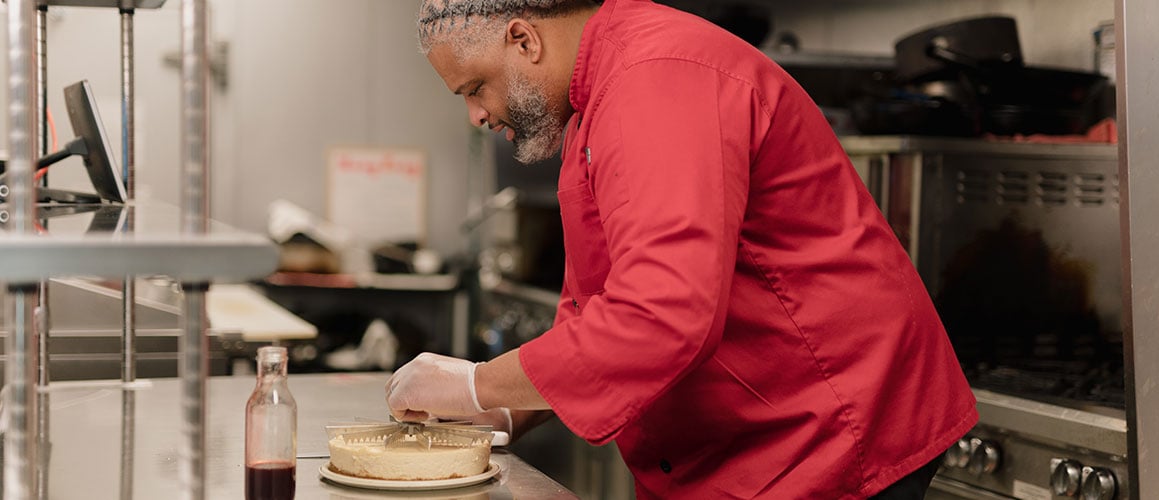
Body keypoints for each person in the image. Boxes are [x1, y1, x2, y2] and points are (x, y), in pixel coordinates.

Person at [386, 0, 979, 498]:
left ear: (523, 39)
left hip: (832, 427)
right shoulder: (593, 107)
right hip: (753, 438)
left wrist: (478, 385)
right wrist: (510, 409)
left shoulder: (655, 79)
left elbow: (660, 315)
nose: (477, 115)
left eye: (475, 87)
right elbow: (595, 312)